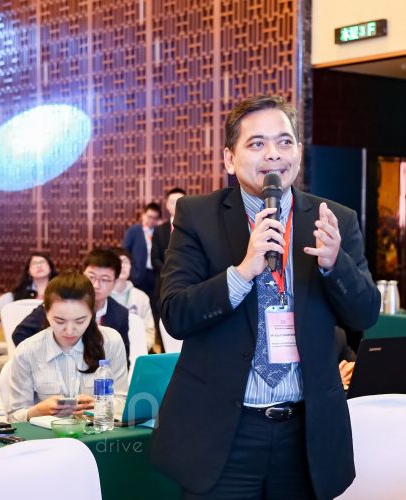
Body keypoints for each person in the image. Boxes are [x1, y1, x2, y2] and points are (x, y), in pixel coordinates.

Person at [150, 95, 381, 499]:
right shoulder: (197, 216)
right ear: (229, 158)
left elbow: (365, 315)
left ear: (298, 153)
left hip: (305, 435)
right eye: (257, 143)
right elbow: (175, 313)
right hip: (224, 433)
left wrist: (335, 265)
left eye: (284, 142)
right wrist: (242, 272)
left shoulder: (334, 220)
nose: (273, 154)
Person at [6, 272, 128, 422]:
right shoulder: (27, 351)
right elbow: (13, 417)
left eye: (80, 321)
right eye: (60, 321)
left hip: (98, 432)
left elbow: (123, 402)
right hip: (48, 434)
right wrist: (37, 411)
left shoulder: (110, 342)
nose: (70, 331)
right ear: (46, 312)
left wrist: (101, 405)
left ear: (92, 313)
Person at [12, 249, 131, 365]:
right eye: (91, 277)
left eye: (104, 280)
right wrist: (43, 362)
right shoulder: (60, 303)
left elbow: (122, 358)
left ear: (115, 282)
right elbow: (20, 334)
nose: (96, 285)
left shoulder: (120, 314)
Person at [150, 187, 186, 331]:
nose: (176, 205)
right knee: (161, 320)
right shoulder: (159, 230)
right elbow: (154, 258)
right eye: (172, 202)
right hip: (163, 282)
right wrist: (169, 272)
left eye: (180, 201)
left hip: (187, 281)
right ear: (166, 205)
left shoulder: (193, 227)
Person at [110, 247, 155, 352]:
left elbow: (149, 330)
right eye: (118, 261)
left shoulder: (141, 297)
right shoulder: (102, 296)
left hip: (137, 351)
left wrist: (140, 350)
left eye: (125, 262)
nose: (122, 265)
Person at [122, 201, 162, 303]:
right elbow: (125, 252)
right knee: (137, 302)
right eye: (149, 217)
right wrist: (131, 271)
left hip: (155, 275)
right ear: (143, 215)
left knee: (154, 304)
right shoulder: (133, 231)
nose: (151, 220)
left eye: (155, 218)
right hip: (138, 274)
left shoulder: (160, 232)